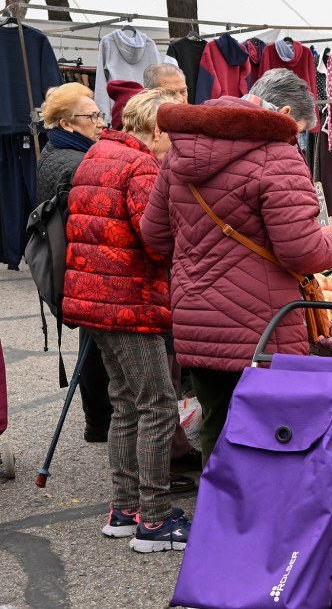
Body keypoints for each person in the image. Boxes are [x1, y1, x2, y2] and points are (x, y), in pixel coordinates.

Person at [141, 69, 332, 462]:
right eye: (300, 129)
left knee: (216, 427)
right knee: (271, 437)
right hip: (262, 327)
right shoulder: (279, 155)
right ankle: (263, 521)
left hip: (196, 322)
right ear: (285, 112)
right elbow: (301, 252)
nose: (298, 139)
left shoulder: (182, 149)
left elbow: (155, 235)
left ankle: (219, 519)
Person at [62, 88, 191, 552]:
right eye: (172, 138)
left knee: (126, 403)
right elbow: (155, 238)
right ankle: (153, 520)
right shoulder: (141, 166)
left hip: (95, 298)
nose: (173, 148)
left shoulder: (99, 152)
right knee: (156, 404)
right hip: (128, 301)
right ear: (156, 129)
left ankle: (125, 508)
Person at [32, 83, 115, 442]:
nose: (100, 121)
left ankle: (98, 420)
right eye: (92, 115)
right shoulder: (77, 162)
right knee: (97, 347)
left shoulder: (56, 150)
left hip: (74, 266)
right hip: (84, 267)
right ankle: (100, 421)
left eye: (99, 114)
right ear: (67, 123)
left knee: (93, 344)